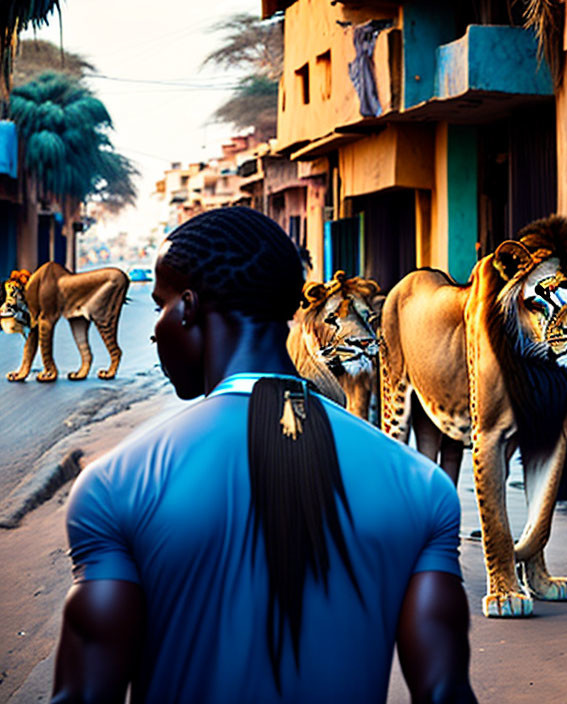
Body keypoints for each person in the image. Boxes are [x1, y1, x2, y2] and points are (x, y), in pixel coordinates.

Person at [51, 207, 477, 704]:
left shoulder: (116, 486)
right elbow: (445, 693)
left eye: (159, 306)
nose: (154, 332)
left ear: (188, 308)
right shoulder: (420, 487)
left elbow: (82, 697)